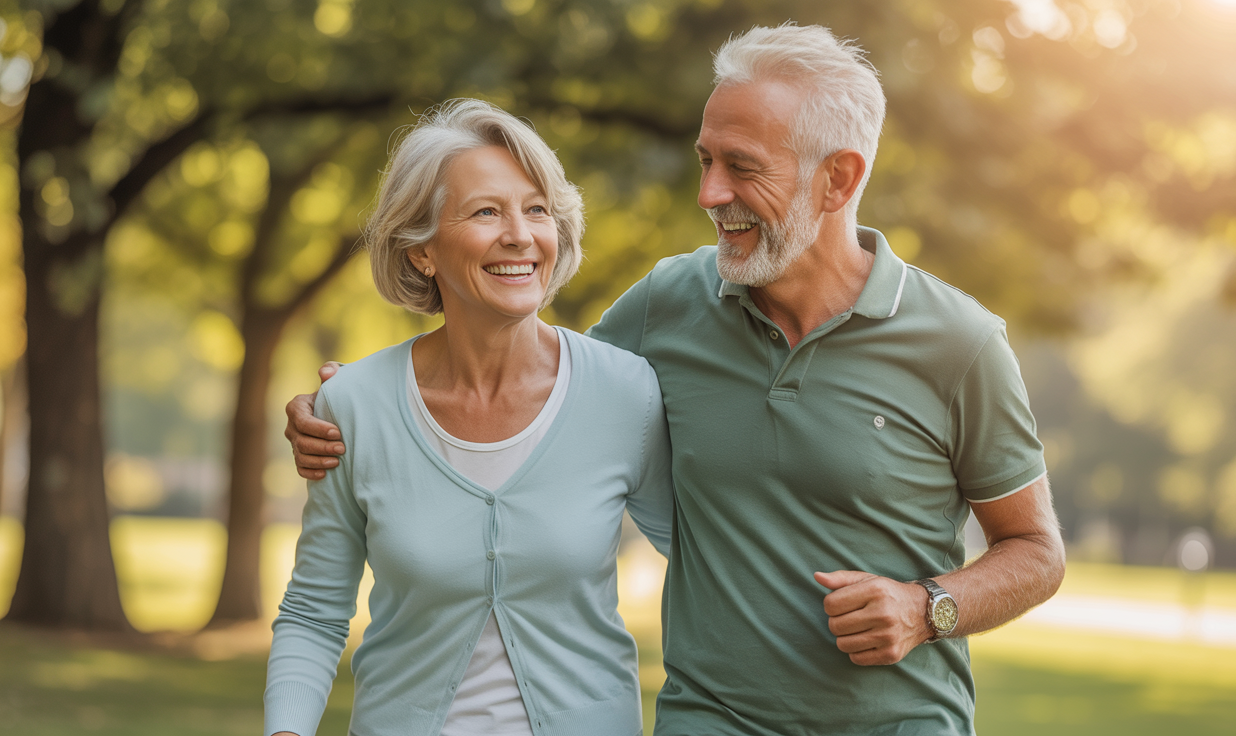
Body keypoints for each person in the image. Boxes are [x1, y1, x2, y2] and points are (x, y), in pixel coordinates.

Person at [286, 24, 1065, 736]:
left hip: (899, 722)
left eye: (742, 168)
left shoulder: (960, 343)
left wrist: (927, 607)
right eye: (705, 160)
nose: (709, 195)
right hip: (709, 718)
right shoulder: (670, 303)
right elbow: (531, 390)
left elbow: (1036, 551)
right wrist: (360, 409)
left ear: (838, 179)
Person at [264, 99, 673, 736]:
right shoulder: (354, 406)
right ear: (422, 250)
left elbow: (711, 559)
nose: (520, 235)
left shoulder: (624, 393)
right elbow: (315, 611)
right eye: (486, 211)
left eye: (536, 209)